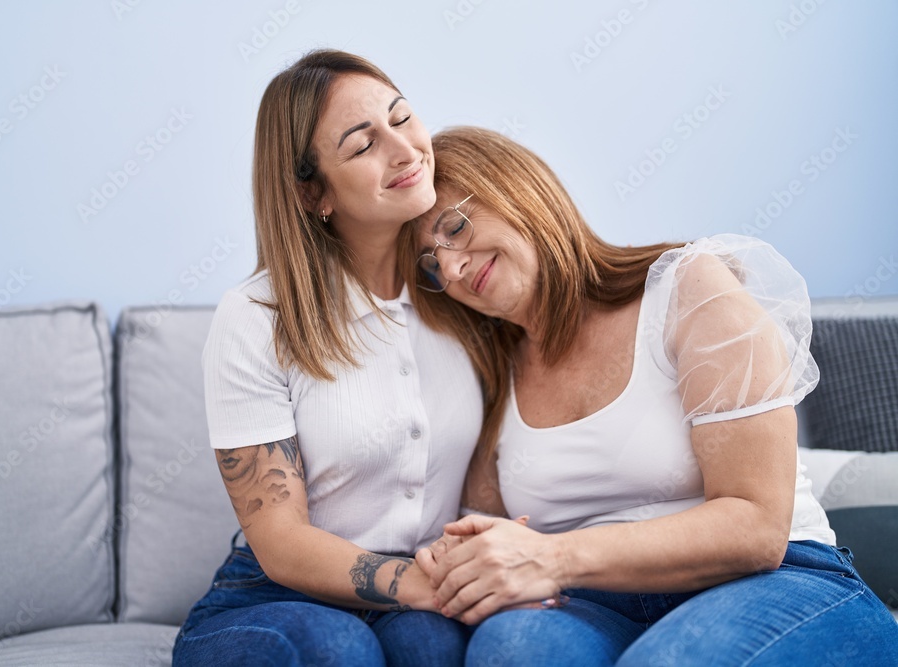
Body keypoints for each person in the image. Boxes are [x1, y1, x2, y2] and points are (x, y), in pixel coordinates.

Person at [402, 126, 898, 666]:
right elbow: (493, 534)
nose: (450, 267)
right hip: (598, 601)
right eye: (431, 263)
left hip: (781, 579)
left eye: (454, 227)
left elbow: (757, 529)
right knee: (510, 650)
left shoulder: (687, 289)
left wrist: (552, 555)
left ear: (518, 188)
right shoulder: (492, 375)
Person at [171, 51, 483, 666]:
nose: (405, 150)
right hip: (274, 596)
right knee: (335, 648)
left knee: (434, 650)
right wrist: (426, 585)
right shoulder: (257, 317)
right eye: (363, 145)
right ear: (314, 192)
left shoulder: (462, 290)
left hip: (416, 587)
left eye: (402, 118)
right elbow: (282, 544)